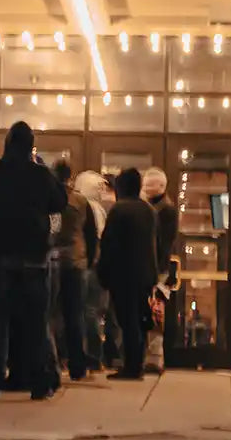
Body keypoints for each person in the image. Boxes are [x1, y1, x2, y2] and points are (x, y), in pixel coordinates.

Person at [0, 122, 65, 401]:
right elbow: (59, 202)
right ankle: (38, 384)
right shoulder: (40, 174)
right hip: (34, 258)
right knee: (35, 324)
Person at [98, 167, 158, 380]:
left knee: (127, 319)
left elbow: (109, 244)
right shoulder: (148, 210)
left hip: (124, 274)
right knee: (139, 319)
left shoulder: (119, 210)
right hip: (144, 274)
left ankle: (131, 367)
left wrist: (103, 272)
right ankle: (136, 363)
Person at [51, 161, 99, 382]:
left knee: (51, 314)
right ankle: (78, 366)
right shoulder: (81, 201)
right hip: (76, 261)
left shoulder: (48, 198)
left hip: (53, 260)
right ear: (70, 177)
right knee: (75, 315)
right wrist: (88, 260)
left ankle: (55, 359)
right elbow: (91, 233)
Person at [141, 166, 178, 375]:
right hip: (152, 266)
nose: (146, 188)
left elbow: (164, 243)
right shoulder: (154, 207)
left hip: (158, 268)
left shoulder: (166, 211)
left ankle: (155, 358)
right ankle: (150, 357)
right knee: (151, 311)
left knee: (155, 312)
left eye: (149, 185)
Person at [73, 170, 111, 372]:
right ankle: (93, 357)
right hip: (92, 266)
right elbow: (98, 239)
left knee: (78, 311)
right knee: (91, 311)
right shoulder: (94, 209)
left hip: (79, 264)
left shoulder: (74, 204)